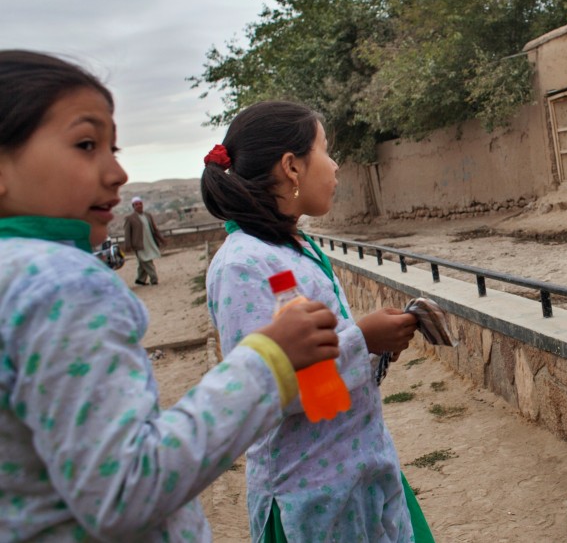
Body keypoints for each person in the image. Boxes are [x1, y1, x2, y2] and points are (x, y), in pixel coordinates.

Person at [0, 49, 342, 541]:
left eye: (113, 149)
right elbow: (123, 490)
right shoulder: (62, 286)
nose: (117, 173)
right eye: (86, 143)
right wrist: (270, 361)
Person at [200, 100, 433, 542]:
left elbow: (320, 380)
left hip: (360, 474)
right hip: (310, 500)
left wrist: (374, 348)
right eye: (325, 150)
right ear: (292, 167)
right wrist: (360, 339)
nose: (336, 165)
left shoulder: (292, 249)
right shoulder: (244, 265)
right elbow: (262, 390)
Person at [123, 195, 166, 285]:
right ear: (133, 206)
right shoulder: (130, 218)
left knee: (143, 262)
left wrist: (161, 239)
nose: (139, 206)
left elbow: (154, 229)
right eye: (136, 204)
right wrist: (128, 245)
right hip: (139, 245)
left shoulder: (148, 215)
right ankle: (154, 279)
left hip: (150, 242)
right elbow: (127, 233)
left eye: (140, 204)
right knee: (147, 261)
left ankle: (140, 280)